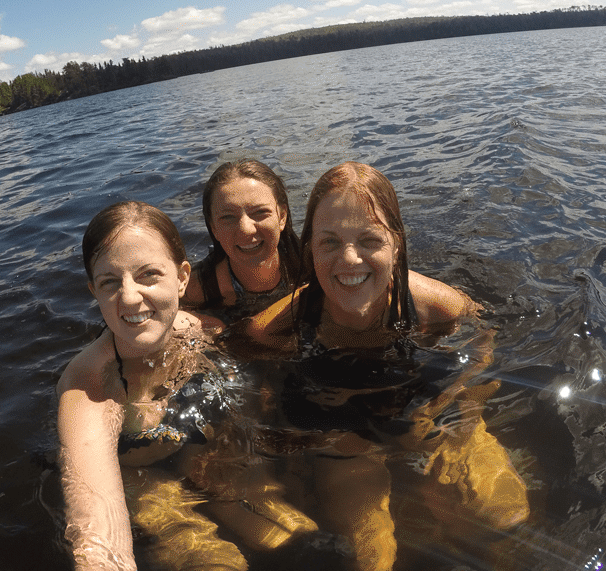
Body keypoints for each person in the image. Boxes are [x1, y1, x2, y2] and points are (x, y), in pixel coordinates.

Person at [240, 162, 529, 571]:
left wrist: (466, 413)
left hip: (429, 412)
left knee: (504, 513)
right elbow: (251, 344)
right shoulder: (288, 318)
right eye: (329, 243)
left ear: (396, 244)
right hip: (341, 436)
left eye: (369, 240)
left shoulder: (437, 306)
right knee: (369, 555)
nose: (349, 259)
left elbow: (486, 339)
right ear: (309, 249)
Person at [56, 201, 313, 571]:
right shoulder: (88, 390)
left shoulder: (193, 329)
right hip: (136, 476)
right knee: (215, 561)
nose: (128, 297)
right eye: (109, 282)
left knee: (286, 535)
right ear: (93, 290)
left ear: (181, 278)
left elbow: (236, 394)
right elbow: (96, 534)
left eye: (148, 275)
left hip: (196, 452)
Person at [183, 160, 302, 320]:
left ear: (282, 217)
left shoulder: (313, 266)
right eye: (228, 217)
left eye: (260, 212)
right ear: (213, 228)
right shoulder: (194, 291)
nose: (246, 229)